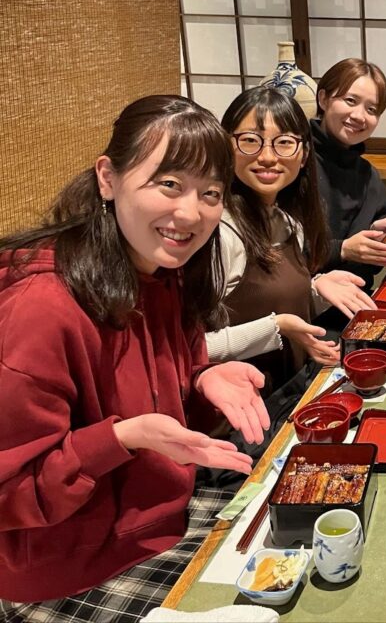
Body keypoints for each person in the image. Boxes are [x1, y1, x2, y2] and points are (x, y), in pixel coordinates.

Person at [0, 96, 270, 608]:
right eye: (169, 184)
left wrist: (203, 382)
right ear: (108, 177)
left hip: (164, 523)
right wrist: (121, 437)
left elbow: (168, 421)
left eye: (210, 193)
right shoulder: (42, 308)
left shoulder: (164, 275)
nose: (190, 212)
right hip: (67, 573)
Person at [209, 87, 376, 394]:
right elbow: (193, 350)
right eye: (250, 141)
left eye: (284, 143)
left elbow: (276, 305)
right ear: (226, 147)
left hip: (290, 392)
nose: (268, 157)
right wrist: (277, 326)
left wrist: (316, 290)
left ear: (303, 155)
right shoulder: (220, 233)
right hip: (242, 413)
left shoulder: (288, 222)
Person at [311, 58, 386, 289]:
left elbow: (373, 265)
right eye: (350, 100)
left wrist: (376, 238)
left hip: (357, 304)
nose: (359, 116)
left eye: (371, 109)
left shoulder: (368, 175)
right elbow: (274, 253)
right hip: (300, 309)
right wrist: (342, 249)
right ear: (323, 99)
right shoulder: (295, 160)